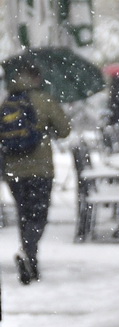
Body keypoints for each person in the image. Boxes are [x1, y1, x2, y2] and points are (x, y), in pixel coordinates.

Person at [1, 60, 71, 285]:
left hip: (14, 170)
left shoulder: (8, 101)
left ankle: (30, 257)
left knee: (24, 214)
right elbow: (64, 130)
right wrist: (45, 128)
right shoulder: (44, 99)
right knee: (38, 215)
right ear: (37, 78)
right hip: (40, 168)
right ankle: (28, 253)